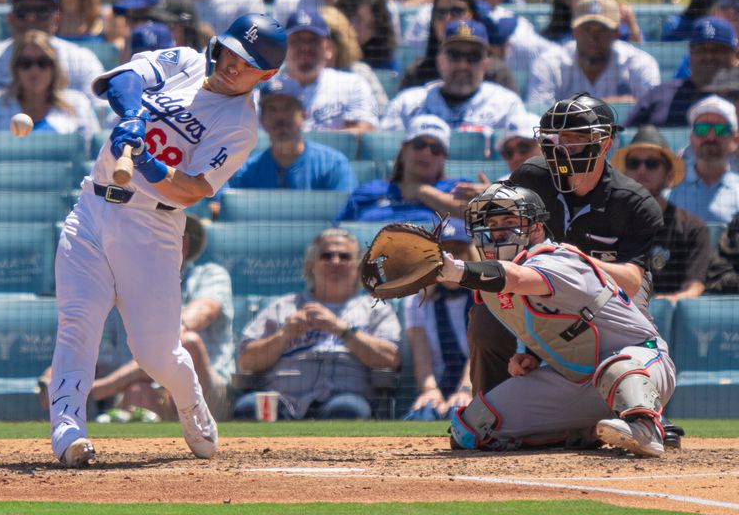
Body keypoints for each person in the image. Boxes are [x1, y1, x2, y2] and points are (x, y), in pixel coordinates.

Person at [47, 13, 287, 468]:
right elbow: (121, 79)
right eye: (231, 51)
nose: (233, 64)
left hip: (151, 228)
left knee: (156, 353)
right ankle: (68, 429)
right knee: (77, 321)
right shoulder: (187, 62)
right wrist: (134, 116)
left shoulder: (240, 125)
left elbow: (194, 189)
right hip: (93, 207)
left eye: (248, 62)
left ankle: (190, 399)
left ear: (267, 75)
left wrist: (147, 161)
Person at [446, 182, 675, 458]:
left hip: (643, 361)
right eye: (492, 223)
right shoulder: (493, 287)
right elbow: (543, 321)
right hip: (574, 377)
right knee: (473, 428)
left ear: (537, 228)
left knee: (616, 367)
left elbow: (516, 278)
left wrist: (452, 269)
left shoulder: (557, 259)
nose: (498, 230)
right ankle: (582, 430)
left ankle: (646, 426)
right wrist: (529, 355)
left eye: (509, 220)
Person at [467, 95, 663, 415]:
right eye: (554, 140)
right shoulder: (530, 176)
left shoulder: (634, 202)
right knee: (485, 318)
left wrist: (576, 260)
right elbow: (502, 240)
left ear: (604, 144)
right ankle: (487, 416)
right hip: (535, 286)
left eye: (574, 140)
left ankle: (642, 411)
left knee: (637, 313)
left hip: (603, 300)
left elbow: (630, 282)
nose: (562, 150)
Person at [235, 228, 401, 420]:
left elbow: (391, 359)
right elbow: (246, 361)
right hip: (282, 398)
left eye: (345, 256)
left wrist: (341, 329)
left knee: (347, 410)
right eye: (326, 255)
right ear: (311, 264)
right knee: (250, 408)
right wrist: (284, 335)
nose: (335, 262)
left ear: (358, 267)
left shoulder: (375, 309)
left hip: (345, 397)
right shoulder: (283, 307)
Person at [82, 216, 233, 422]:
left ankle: (99, 391)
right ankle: (147, 450)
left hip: (206, 390)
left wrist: (104, 387)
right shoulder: (120, 288)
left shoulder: (209, 274)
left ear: (183, 244)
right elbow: (94, 349)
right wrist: (55, 376)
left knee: (188, 343)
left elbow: (205, 309)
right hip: (144, 392)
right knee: (138, 391)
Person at [613, 125, 711, 303]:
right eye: (634, 163)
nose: (641, 170)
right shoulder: (607, 224)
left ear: (669, 174)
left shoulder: (693, 228)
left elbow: (694, 288)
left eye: (652, 164)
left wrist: (662, 307)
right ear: (624, 173)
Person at [382, 19, 529, 133]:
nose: (463, 65)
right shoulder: (407, 104)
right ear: (439, 60)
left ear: (485, 63)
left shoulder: (507, 104)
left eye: (473, 56)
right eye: (454, 55)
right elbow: (386, 156)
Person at [227, 75, 356, 192]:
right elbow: (221, 206)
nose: (280, 117)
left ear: (304, 114)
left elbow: (349, 211)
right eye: (272, 109)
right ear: (261, 119)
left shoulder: (332, 164)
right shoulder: (246, 170)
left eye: (288, 108)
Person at [527, 0, 660, 107]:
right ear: (574, 31)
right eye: (586, 29)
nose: (593, 37)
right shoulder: (550, 63)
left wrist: (570, 109)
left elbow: (652, 113)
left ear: (616, 33)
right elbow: (538, 116)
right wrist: (612, 104)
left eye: (602, 29)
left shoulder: (640, 63)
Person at [0, 29, 98, 145]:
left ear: (54, 68)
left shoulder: (77, 104)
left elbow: (94, 153)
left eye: (43, 63)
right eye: (26, 63)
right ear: (16, 68)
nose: (34, 70)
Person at [402, 219, 473, 421]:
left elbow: (479, 350)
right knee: (424, 413)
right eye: (442, 254)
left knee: (460, 411)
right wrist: (430, 390)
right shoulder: (417, 301)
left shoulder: (484, 297)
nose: (449, 260)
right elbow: (421, 353)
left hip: (479, 384)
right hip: (438, 384)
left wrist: (466, 389)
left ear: (470, 256)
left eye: (457, 252)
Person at [337, 114, 466, 222]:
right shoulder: (368, 191)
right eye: (419, 144)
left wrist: (423, 192)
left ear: (445, 157)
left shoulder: (460, 189)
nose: (426, 153)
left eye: (436, 149)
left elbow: (476, 222)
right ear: (404, 150)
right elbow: (338, 233)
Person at [277, 9, 378, 133]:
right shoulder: (268, 87)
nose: (305, 47)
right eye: (297, 40)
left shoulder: (352, 85)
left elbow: (364, 130)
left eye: (313, 40)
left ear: (328, 48)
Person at [399, 0, 514, 91]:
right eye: (440, 13)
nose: (448, 19)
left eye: (457, 11)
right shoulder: (416, 74)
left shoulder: (496, 74)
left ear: (473, 15)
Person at [629, 17, 739, 128]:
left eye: (717, 50)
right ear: (690, 55)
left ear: (735, 56)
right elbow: (627, 136)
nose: (708, 56)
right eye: (700, 49)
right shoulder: (659, 95)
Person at [668, 95, 739, 225]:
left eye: (721, 130)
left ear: (735, 140)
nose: (710, 137)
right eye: (702, 129)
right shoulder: (668, 189)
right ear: (691, 138)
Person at [338, 0, 398, 71]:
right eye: (358, 19)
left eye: (370, 26)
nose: (360, 31)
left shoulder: (385, 61)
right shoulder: (324, 51)